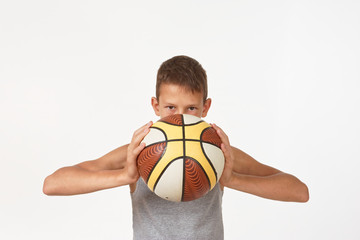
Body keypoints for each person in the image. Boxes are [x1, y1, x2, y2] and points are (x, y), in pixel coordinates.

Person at [43, 55, 309, 239]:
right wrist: (125, 176)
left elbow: (299, 191)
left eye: (191, 108)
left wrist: (233, 178)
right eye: (170, 107)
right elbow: (53, 184)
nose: (179, 116)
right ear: (155, 105)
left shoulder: (217, 153)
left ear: (206, 107)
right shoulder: (137, 152)